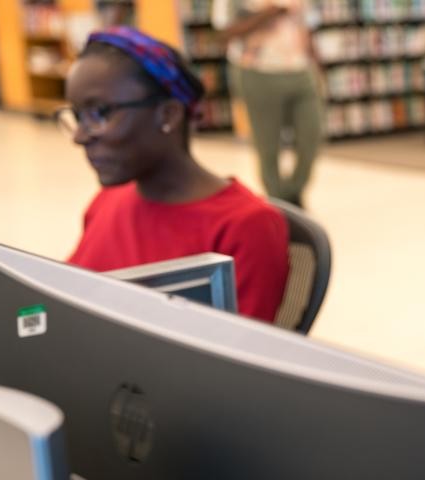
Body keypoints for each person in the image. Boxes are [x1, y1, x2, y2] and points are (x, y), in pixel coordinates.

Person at [60, 26, 289, 323]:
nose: (79, 136)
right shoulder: (106, 202)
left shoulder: (245, 227)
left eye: (100, 113)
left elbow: (236, 360)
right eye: (77, 116)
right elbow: (66, 300)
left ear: (168, 115)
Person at [211, 0, 324, 208]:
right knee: (268, 145)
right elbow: (225, 34)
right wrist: (272, 11)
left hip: (301, 70)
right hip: (257, 72)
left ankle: (292, 192)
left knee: (312, 137)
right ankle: (280, 202)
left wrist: (317, 66)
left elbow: (308, 25)